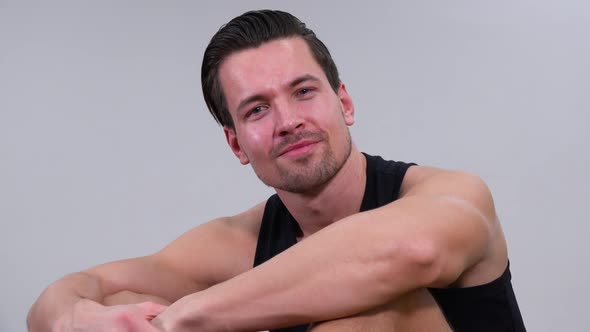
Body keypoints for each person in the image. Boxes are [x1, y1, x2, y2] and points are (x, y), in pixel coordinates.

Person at [27, 9, 526, 332]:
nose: (289, 122)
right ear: (236, 143)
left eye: (304, 91)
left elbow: (411, 251)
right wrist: (78, 318)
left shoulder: (450, 193)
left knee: (365, 319)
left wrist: (184, 318)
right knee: (132, 300)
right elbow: (69, 292)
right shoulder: (238, 243)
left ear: (344, 101)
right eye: (257, 110)